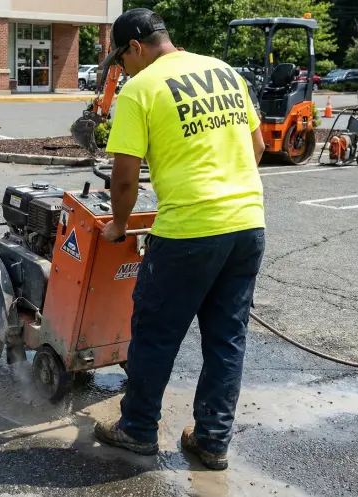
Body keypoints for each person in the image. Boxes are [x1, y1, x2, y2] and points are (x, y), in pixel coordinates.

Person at [92, 8, 267, 471]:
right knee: (227, 337)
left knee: (155, 334)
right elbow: (258, 147)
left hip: (189, 231)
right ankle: (212, 440)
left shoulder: (141, 89)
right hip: (248, 225)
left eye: (121, 59)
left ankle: (137, 429)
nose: (122, 69)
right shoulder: (223, 71)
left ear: (134, 47)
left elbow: (125, 178)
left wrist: (119, 226)